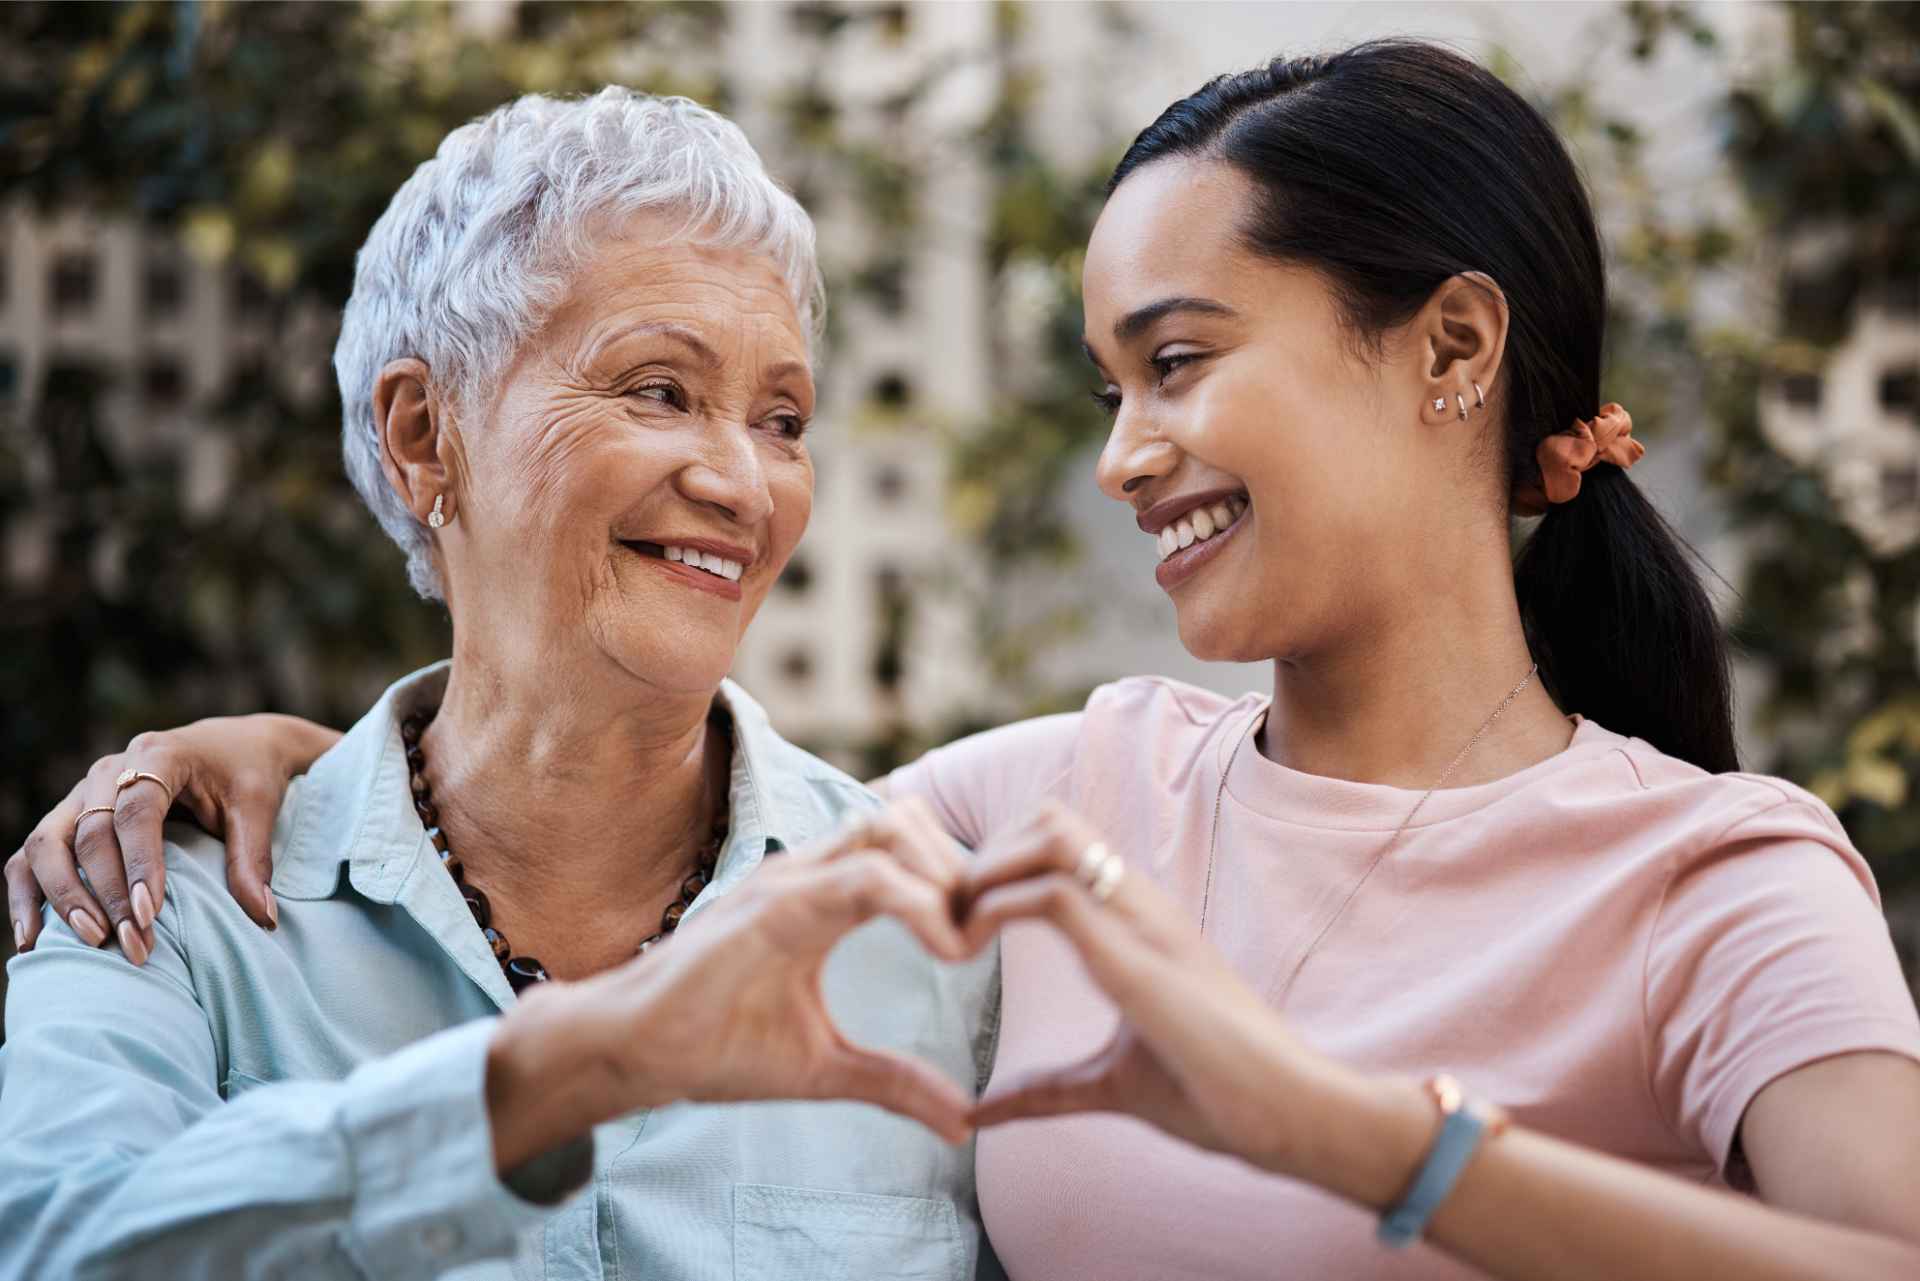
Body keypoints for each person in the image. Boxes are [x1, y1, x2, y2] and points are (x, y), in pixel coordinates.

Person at [16, 41, 1920, 1281]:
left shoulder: (1717, 872)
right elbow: (567, 793)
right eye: (1111, 384)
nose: (1123, 452)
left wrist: (1352, 1139)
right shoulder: (1026, 816)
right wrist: (265, 756)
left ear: (1451, 353)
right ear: (428, 437)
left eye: (1176, 362)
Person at [0, 87, 1000, 1281]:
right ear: (425, 435)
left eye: (782, 419)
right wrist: (553, 1078)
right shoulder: (167, 910)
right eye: (656, 391)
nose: (745, 483)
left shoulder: (938, 939)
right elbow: (59, 1247)